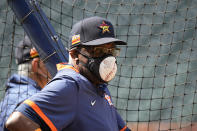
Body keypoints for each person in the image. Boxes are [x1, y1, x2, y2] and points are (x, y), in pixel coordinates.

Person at [5, 16, 131, 131]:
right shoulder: (70, 85)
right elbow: (17, 121)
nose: (107, 58)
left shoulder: (99, 87)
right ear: (75, 55)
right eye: (98, 51)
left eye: (111, 51)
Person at [0, 36, 51, 131]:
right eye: (50, 62)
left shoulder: (8, 98)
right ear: (37, 65)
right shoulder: (35, 99)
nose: (57, 66)